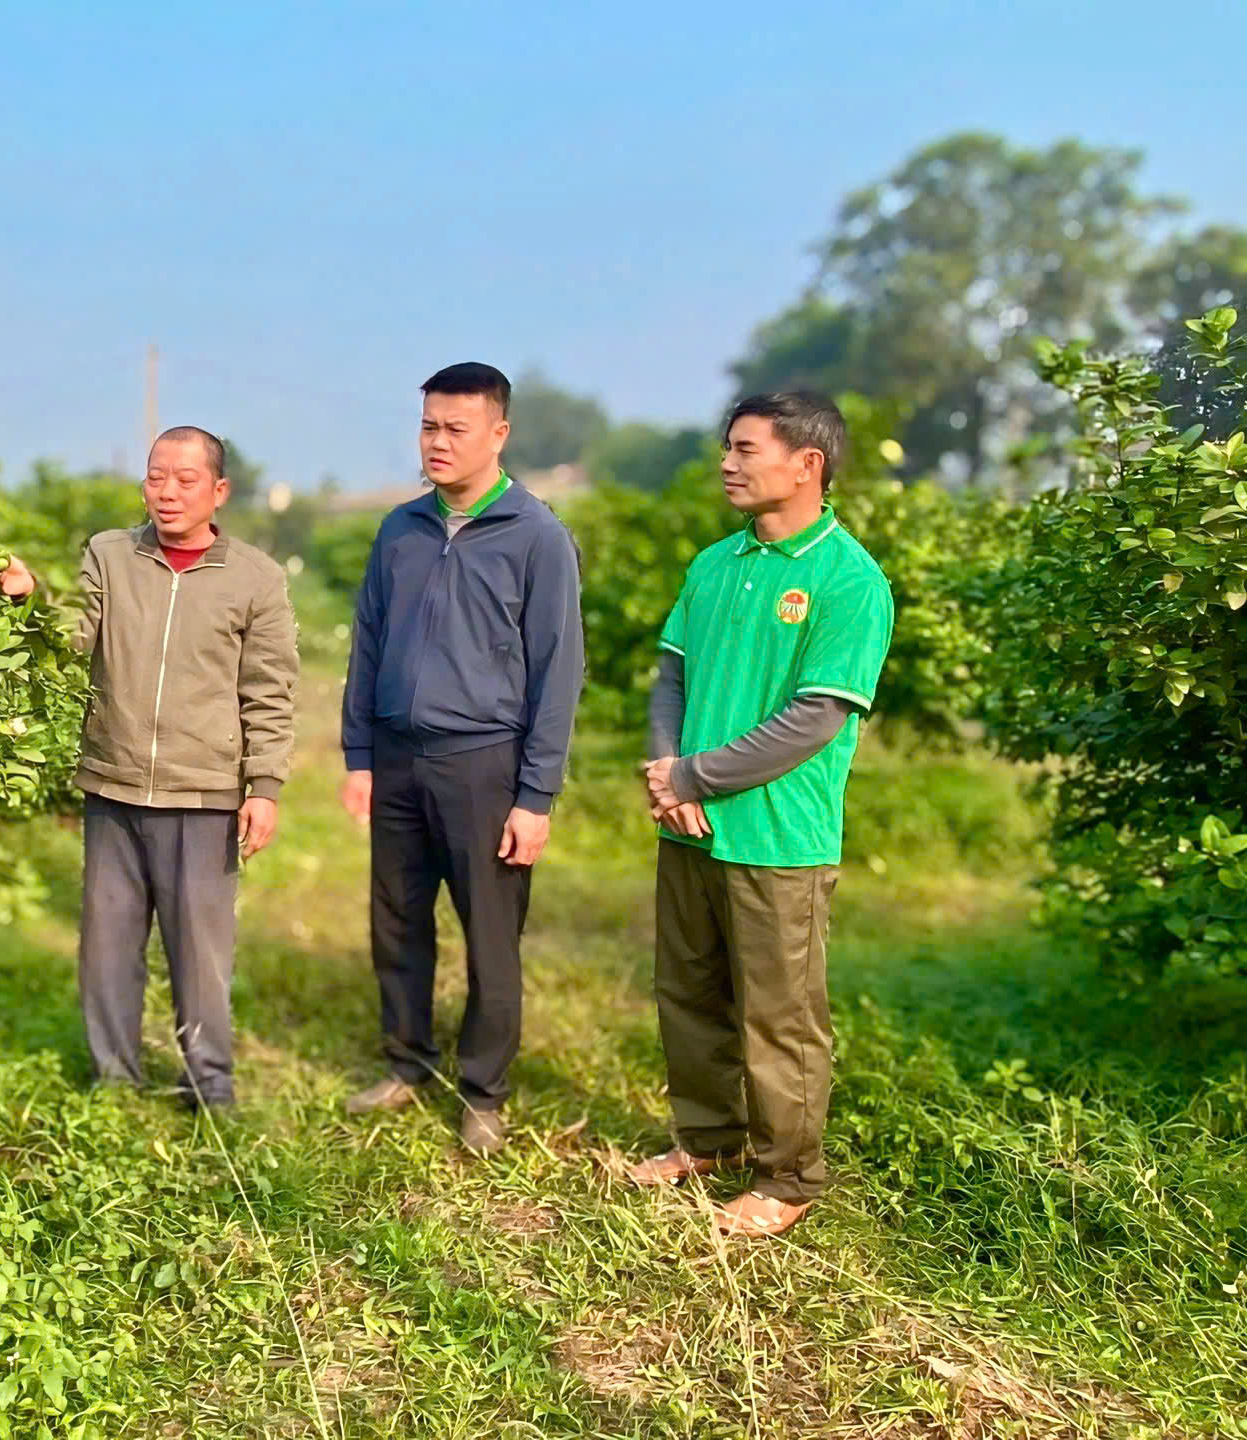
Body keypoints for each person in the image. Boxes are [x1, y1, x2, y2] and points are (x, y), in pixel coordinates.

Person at [628, 390, 893, 1239]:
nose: (727, 463)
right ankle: (709, 1139)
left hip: (779, 835)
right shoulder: (714, 565)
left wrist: (692, 776)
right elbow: (671, 676)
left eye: (745, 449)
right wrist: (670, 781)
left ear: (807, 464)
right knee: (688, 990)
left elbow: (815, 717)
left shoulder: (848, 579)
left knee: (778, 1014)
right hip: (690, 823)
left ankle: (788, 1177)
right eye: (728, 447)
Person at [0, 426, 298, 1110]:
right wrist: (25, 597)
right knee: (107, 948)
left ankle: (210, 1088)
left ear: (219, 490)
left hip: (203, 795)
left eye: (186, 480)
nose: (168, 492)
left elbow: (269, 690)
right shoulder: (109, 554)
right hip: (115, 784)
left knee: (200, 954)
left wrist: (264, 787)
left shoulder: (255, 578)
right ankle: (115, 1081)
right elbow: (72, 637)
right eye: (156, 477)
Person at [336, 363, 585, 1154]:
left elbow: (558, 673)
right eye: (428, 427)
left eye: (455, 429)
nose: (437, 443)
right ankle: (406, 1062)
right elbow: (368, 642)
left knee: (490, 938)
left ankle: (483, 1092)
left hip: (484, 765)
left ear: (499, 434)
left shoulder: (537, 537)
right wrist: (359, 754)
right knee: (397, 923)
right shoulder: (400, 530)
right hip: (398, 758)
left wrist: (535, 796)